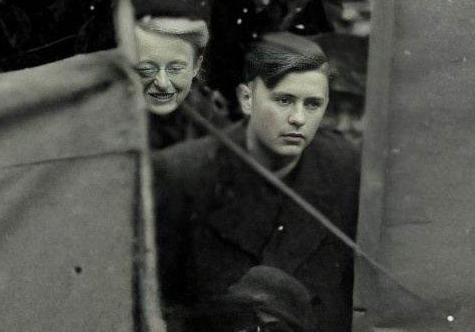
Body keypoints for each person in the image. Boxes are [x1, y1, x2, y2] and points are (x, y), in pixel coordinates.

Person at [154, 34, 360, 332]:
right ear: (246, 99)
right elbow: (158, 304)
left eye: (313, 104)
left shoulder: (346, 170)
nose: (298, 118)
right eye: (284, 100)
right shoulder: (184, 175)